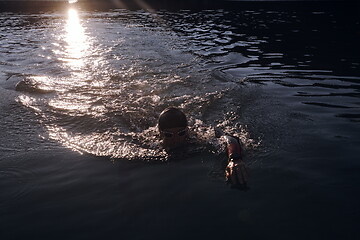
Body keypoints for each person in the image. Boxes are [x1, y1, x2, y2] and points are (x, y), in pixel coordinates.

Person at [158, 107, 249, 188]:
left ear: (187, 130)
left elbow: (230, 138)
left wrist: (235, 159)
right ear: (160, 134)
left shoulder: (199, 137)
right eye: (168, 135)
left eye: (181, 133)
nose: (176, 139)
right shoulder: (150, 143)